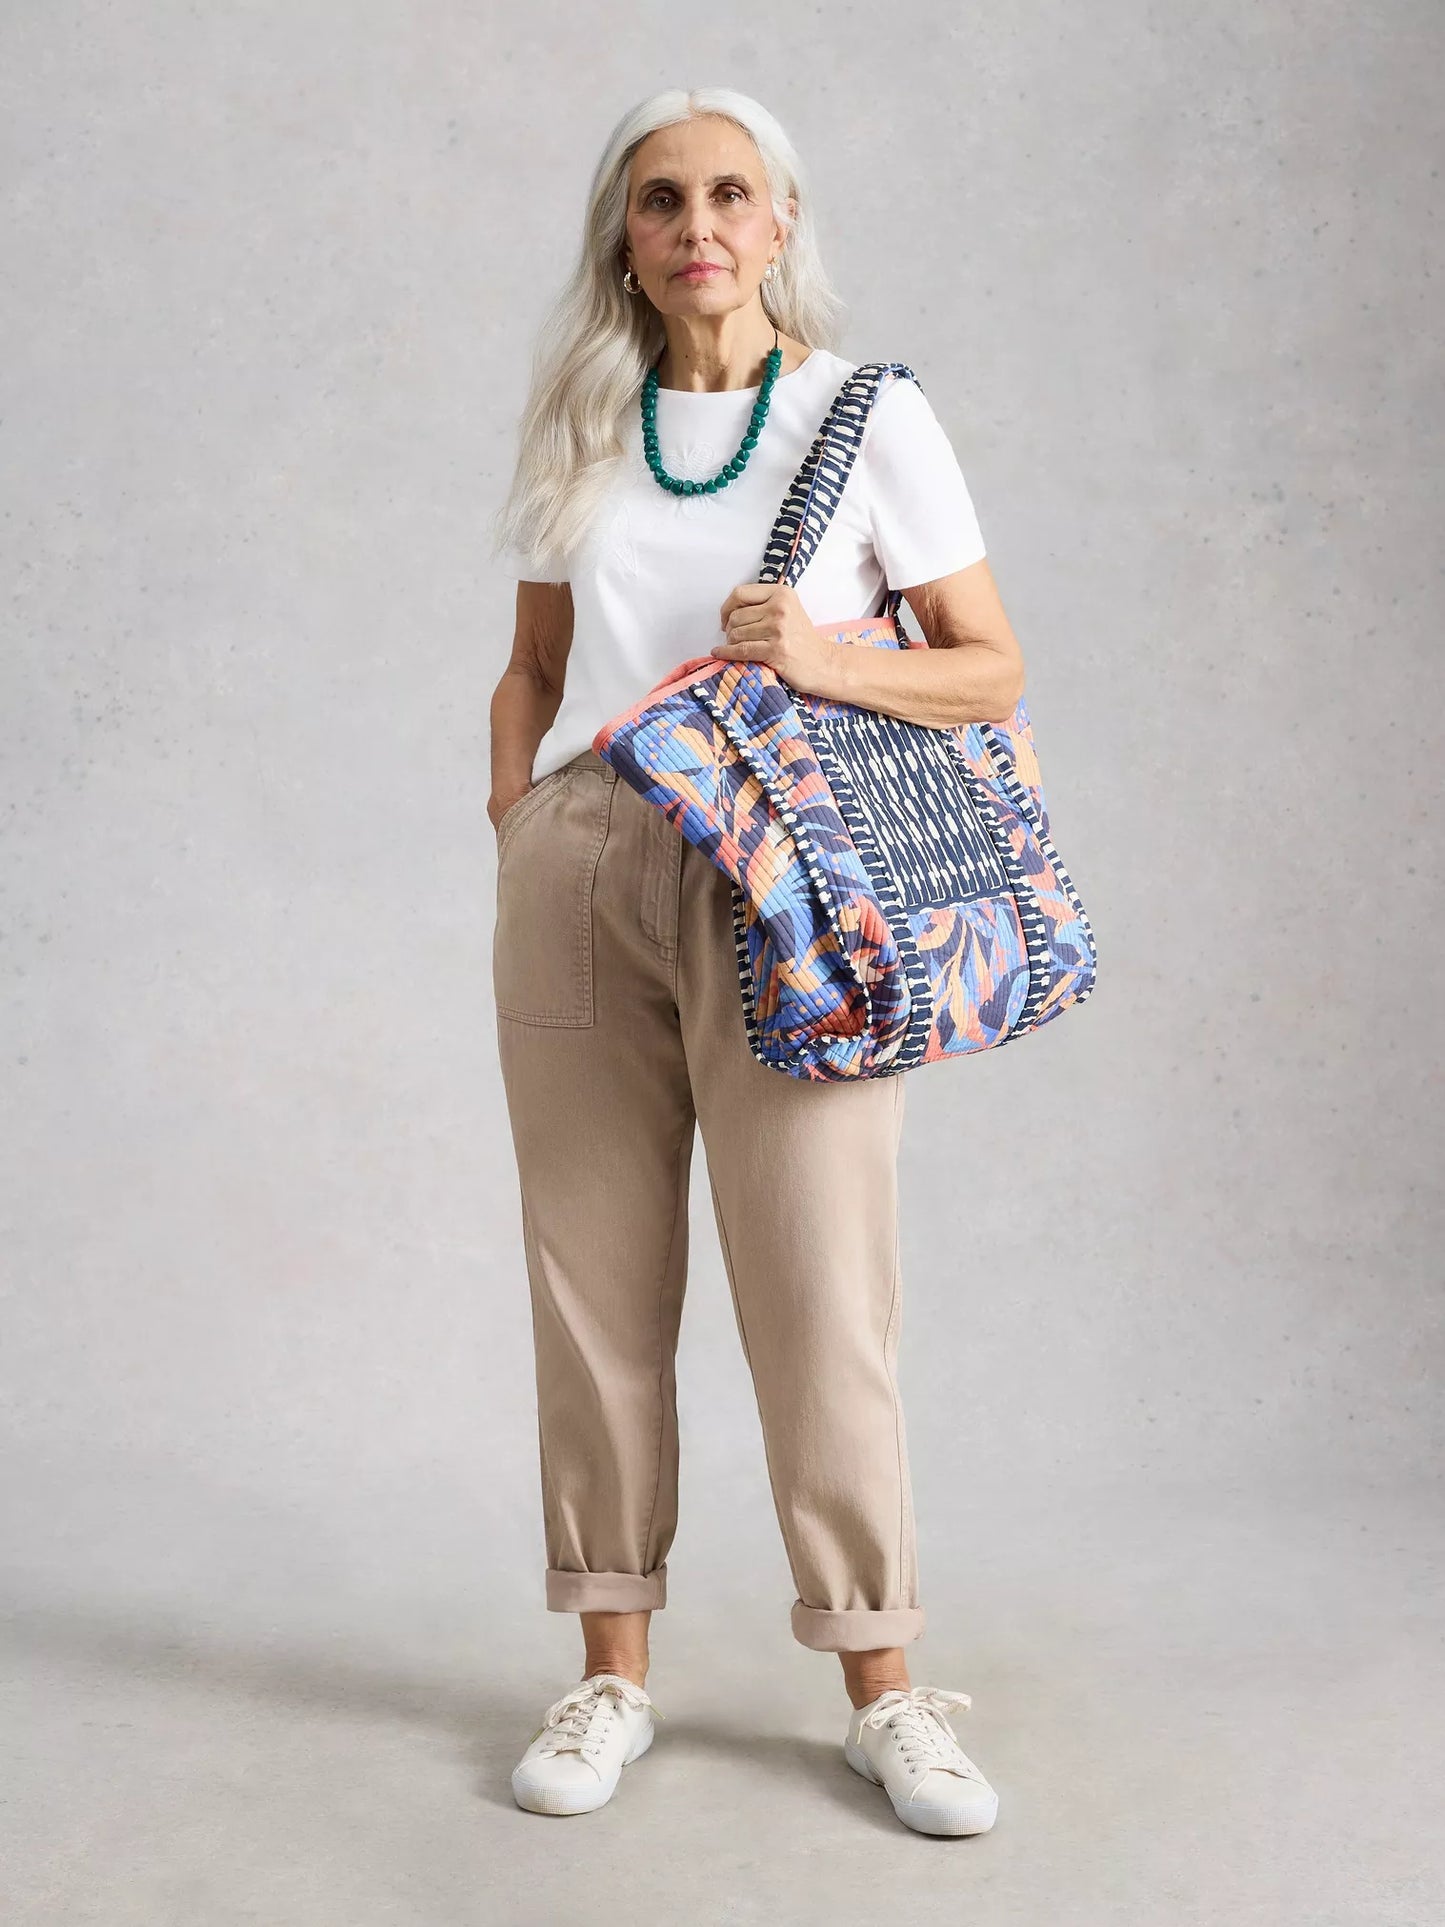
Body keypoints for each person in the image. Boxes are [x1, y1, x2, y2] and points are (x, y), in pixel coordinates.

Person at [488, 87, 1024, 1838]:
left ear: (778, 221)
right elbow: (534, 661)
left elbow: (990, 671)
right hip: (586, 875)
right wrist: (522, 817)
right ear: (624, 239)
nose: (697, 224)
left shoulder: (862, 420)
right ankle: (609, 1675)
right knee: (590, 1288)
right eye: (661, 200)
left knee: (819, 1296)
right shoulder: (583, 419)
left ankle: (881, 1685)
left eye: (730, 194)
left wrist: (828, 657)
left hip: (793, 887)